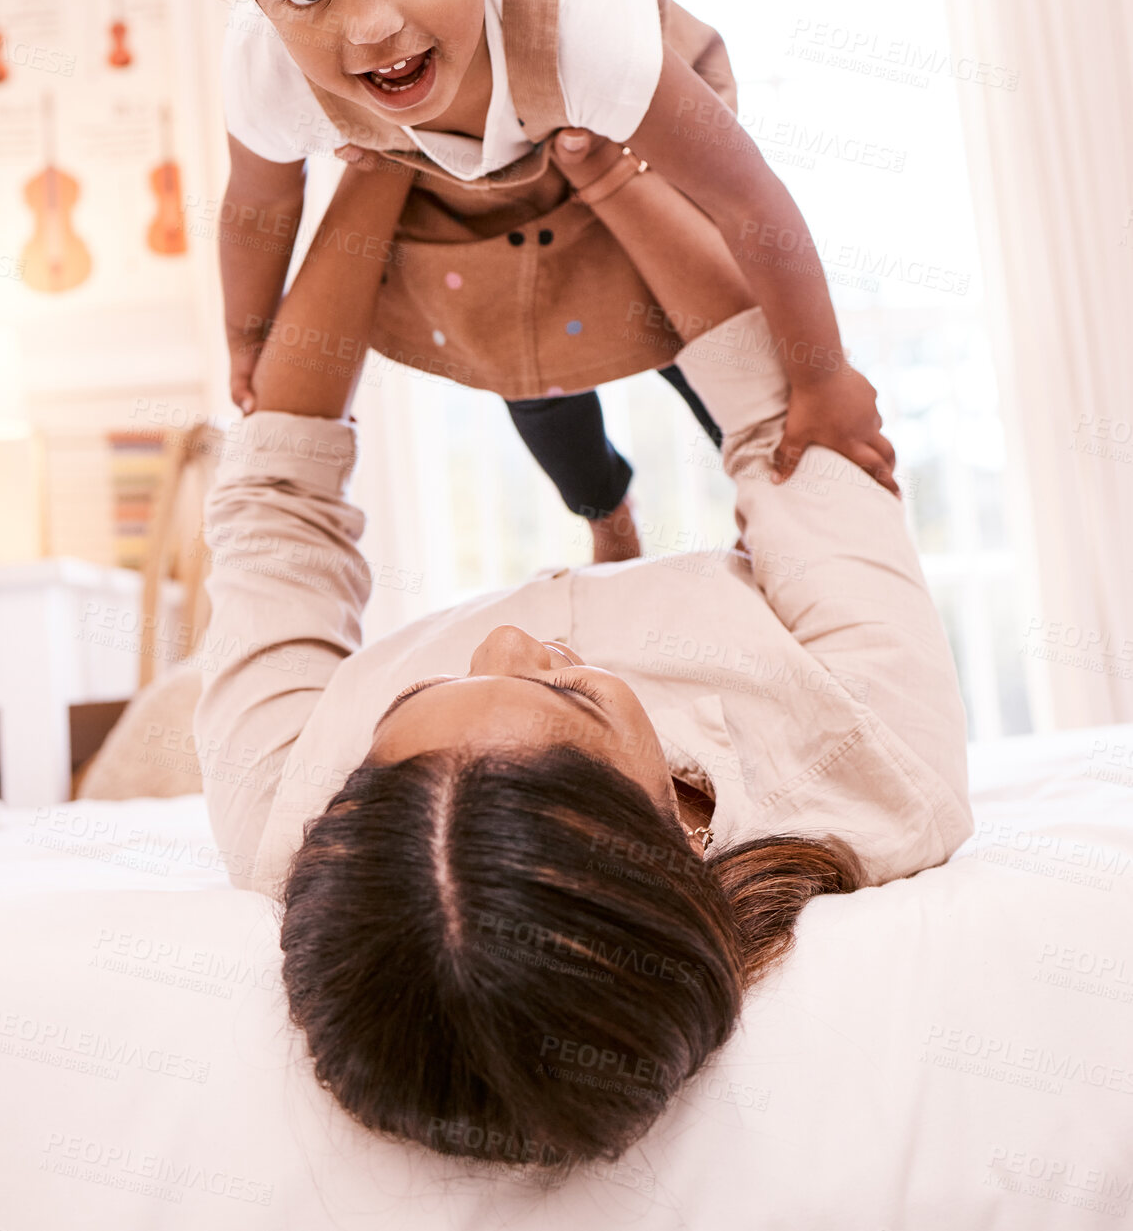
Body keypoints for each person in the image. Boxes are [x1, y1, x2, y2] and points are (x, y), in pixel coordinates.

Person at [193, 127, 973, 1172]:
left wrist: (375, 162)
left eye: (418, 692)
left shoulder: (285, 816)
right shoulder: (878, 760)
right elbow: (786, 423)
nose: (508, 639)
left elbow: (277, 495)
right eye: (574, 694)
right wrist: (608, 161)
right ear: (678, 824)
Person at [72, 0, 896, 565]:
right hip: (468, 199)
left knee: (703, 338)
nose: (371, 27)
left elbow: (748, 201)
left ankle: (780, 518)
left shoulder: (581, 26)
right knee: (532, 373)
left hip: (613, 157)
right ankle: (605, 516)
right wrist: (247, 342)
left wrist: (825, 377)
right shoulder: (266, 66)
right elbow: (260, 205)